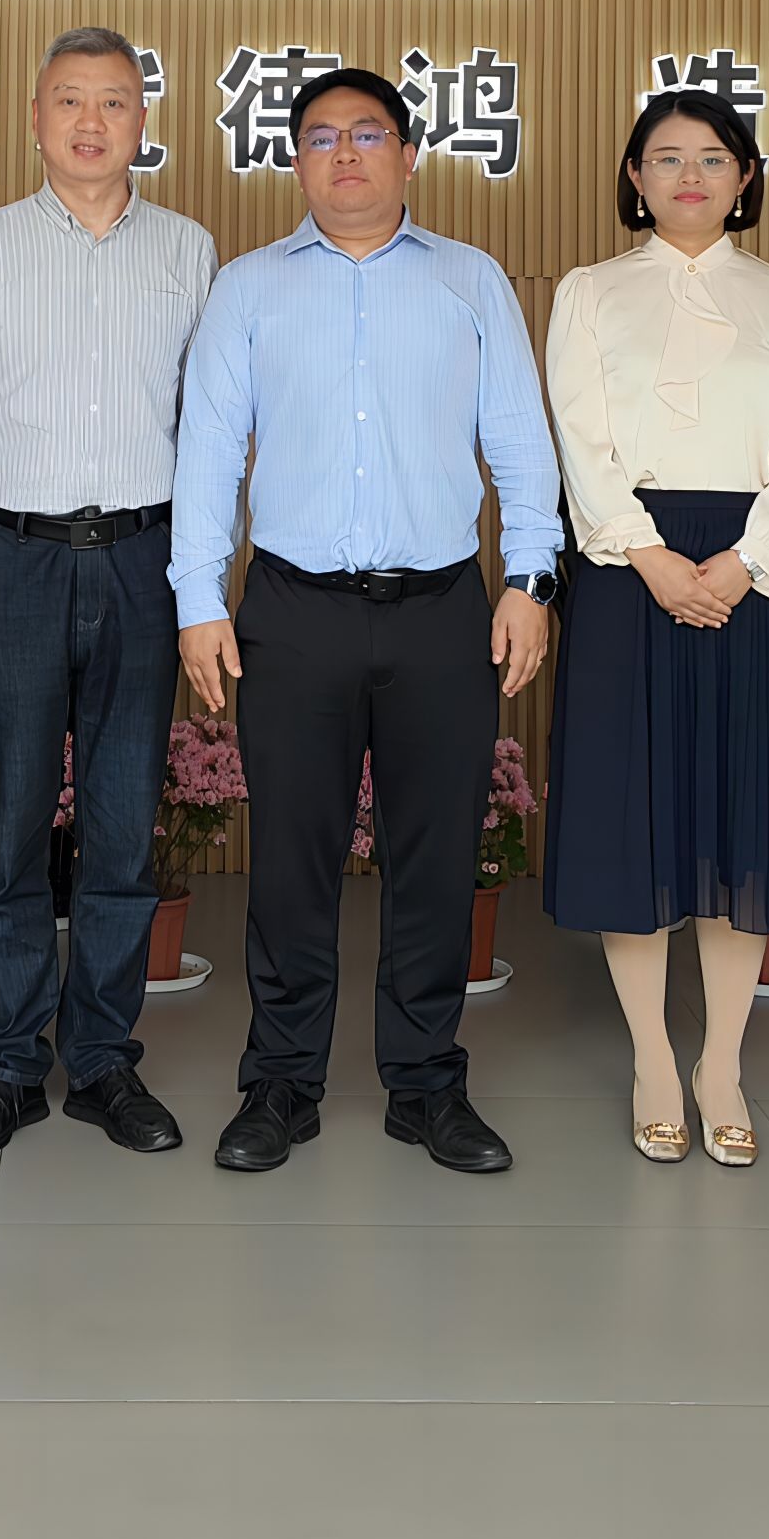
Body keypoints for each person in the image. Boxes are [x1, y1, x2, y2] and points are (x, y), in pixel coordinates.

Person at [171, 66, 560, 1177]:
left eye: (368, 133)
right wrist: (199, 601)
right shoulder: (249, 287)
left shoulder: (468, 280)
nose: (344, 153)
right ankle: (280, 1084)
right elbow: (208, 449)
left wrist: (530, 580)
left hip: (442, 610)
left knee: (434, 858)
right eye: (321, 136)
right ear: (296, 160)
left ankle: (426, 1084)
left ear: (409, 155)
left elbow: (519, 440)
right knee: (289, 861)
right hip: (292, 610)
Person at [0, 28, 215, 1161]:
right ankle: (5, 1064)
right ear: (34, 119)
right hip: (14, 560)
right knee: (6, 824)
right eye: (69, 102)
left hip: (143, 560)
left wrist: (201, 583)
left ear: (144, 120)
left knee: (122, 824)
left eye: (115, 102)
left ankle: (100, 1061)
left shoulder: (188, 250)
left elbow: (210, 431)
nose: (92, 122)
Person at [538, 89, 769, 1169]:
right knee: (639, 817)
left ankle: (722, 1065)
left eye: (713, 158)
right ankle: (653, 1063)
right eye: (665, 158)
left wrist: (746, 563)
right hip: (630, 570)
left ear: (746, 177)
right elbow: (578, 438)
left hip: (748, 571)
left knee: (735, 821)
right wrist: (650, 557)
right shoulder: (588, 293)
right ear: (633, 177)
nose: (689, 177)